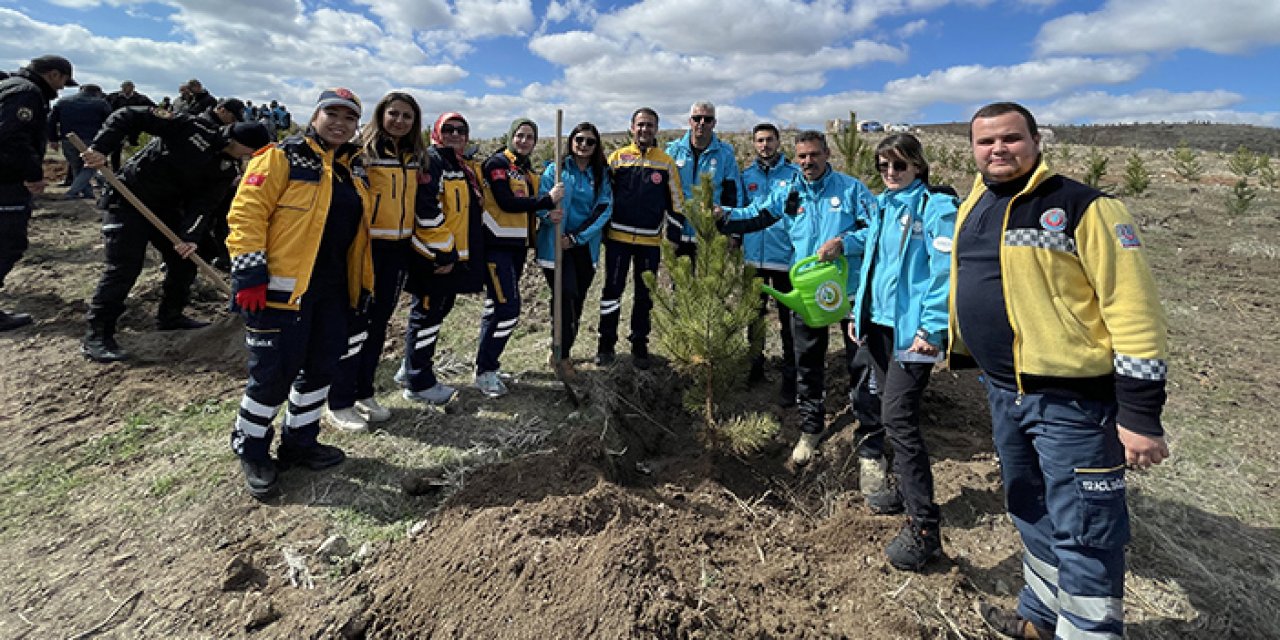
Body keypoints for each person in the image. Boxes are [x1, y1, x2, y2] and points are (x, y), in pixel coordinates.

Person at [952, 103, 1170, 640]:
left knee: (1085, 532)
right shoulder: (975, 203)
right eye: (986, 142)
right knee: (1030, 508)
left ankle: (1090, 632)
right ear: (973, 148)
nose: (998, 149)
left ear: (1036, 140)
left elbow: (1134, 309)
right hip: (1006, 392)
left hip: (1072, 404)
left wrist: (1140, 414)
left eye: (1010, 138)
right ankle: (1041, 620)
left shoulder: (1083, 206)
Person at [224, 88, 373, 498]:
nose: (340, 122)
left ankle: (299, 442)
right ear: (315, 114)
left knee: (320, 368)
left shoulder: (353, 168)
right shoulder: (281, 156)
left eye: (350, 117)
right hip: (280, 290)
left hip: (334, 289)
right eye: (333, 113)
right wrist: (250, 273)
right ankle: (251, 448)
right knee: (272, 375)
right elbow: (246, 214)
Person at [715, 130, 876, 467]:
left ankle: (868, 431)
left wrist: (844, 243)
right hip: (806, 291)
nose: (808, 162)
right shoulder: (788, 191)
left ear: (827, 154)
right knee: (807, 361)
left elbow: (874, 230)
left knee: (860, 363)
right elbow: (757, 215)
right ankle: (811, 428)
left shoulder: (851, 190)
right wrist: (722, 215)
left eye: (814, 155)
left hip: (848, 291)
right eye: (802, 156)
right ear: (796, 157)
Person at [78, 107, 271, 362]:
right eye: (250, 152)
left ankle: (171, 316)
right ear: (237, 142)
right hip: (128, 200)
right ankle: (98, 334)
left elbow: (204, 205)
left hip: (167, 210)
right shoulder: (190, 128)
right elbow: (129, 115)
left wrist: (189, 237)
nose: (251, 158)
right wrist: (102, 147)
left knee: (187, 259)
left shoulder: (226, 168)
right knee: (124, 268)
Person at [848, 133, 957, 571]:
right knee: (884, 408)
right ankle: (906, 493)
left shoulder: (936, 207)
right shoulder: (881, 205)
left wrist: (932, 326)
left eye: (898, 165)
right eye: (883, 166)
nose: (890, 173)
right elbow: (872, 264)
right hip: (877, 326)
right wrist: (859, 310)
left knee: (899, 419)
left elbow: (944, 270)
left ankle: (924, 527)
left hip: (913, 334)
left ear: (917, 165)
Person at [324, 92, 424, 432]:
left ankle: (364, 391)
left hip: (399, 250)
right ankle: (339, 401)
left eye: (407, 116)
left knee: (379, 324)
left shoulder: (413, 157)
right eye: (393, 113)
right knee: (355, 324)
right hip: (366, 249)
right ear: (381, 115)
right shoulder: (359, 154)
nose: (399, 120)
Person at [471, 118, 564, 397]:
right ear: (511, 136)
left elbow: (527, 209)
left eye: (530, 137)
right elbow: (505, 202)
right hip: (496, 247)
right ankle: (486, 371)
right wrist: (547, 200)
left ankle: (486, 366)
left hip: (517, 248)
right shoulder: (498, 164)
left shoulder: (525, 170)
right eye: (520, 136)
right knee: (508, 309)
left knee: (495, 308)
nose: (524, 141)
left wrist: (547, 213)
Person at [399, 112, 482, 405]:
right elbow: (426, 208)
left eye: (461, 129)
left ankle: (409, 367)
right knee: (426, 316)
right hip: (433, 258)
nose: (456, 134)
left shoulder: (457, 165)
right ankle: (418, 381)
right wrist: (443, 252)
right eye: (448, 129)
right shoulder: (432, 161)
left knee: (437, 313)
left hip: (451, 256)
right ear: (436, 132)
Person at [596, 107, 682, 370]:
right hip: (617, 239)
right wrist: (601, 233)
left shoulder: (665, 162)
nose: (644, 129)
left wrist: (674, 236)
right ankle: (606, 344)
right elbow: (602, 196)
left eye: (650, 125)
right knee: (612, 291)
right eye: (640, 125)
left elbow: (677, 202)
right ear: (632, 127)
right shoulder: (617, 159)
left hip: (650, 243)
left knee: (644, 295)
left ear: (656, 129)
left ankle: (639, 343)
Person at [0, 54, 77, 332]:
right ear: (54, 75)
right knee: (8, 242)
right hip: (6, 182)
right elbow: (12, 138)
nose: (60, 90)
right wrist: (33, 174)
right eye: (63, 82)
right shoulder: (27, 93)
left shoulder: (9, 86)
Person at [535, 121, 611, 379]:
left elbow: (604, 209)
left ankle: (560, 347)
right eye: (579, 140)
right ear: (571, 141)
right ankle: (562, 355)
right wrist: (549, 214)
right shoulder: (555, 171)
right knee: (565, 296)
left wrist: (576, 238)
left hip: (583, 246)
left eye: (590, 141)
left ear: (596, 145)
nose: (584, 145)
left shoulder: (600, 175)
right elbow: (540, 204)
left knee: (577, 301)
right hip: (554, 244)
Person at [740, 122, 799, 405]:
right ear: (754, 143)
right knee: (754, 317)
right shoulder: (746, 176)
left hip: (786, 260)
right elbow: (742, 212)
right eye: (760, 140)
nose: (765, 145)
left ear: (779, 142)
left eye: (770, 140)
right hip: (753, 258)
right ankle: (754, 368)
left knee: (789, 322)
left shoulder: (794, 175)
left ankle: (791, 377)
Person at [664, 101, 743, 261]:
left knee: (710, 285)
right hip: (678, 232)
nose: (701, 123)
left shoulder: (725, 154)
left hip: (710, 235)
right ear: (690, 121)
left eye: (707, 119)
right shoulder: (673, 151)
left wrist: (734, 232)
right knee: (680, 285)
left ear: (714, 123)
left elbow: (734, 195)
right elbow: (663, 193)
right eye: (697, 118)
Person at [47, 83, 111, 199]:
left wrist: (53, 139)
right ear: (97, 93)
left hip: (68, 139)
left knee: (77, 167)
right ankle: (72, 192)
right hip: (92, 139)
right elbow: (110, 123)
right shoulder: (101, 104)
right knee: (90, 166)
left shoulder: (63, 102)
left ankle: (87, 193)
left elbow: (51, 121)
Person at [105, 81, 154, 171]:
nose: (127, 89)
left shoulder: (141, 98)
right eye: (125, 87)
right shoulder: (113, 97)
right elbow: (105, 109)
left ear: (133, 88)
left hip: (134, 128)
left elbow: (152, 108)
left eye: (129, 87)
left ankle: (132, 168)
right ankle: (115, 170)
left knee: (134, 148)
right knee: (116, 149)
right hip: (117, 126)